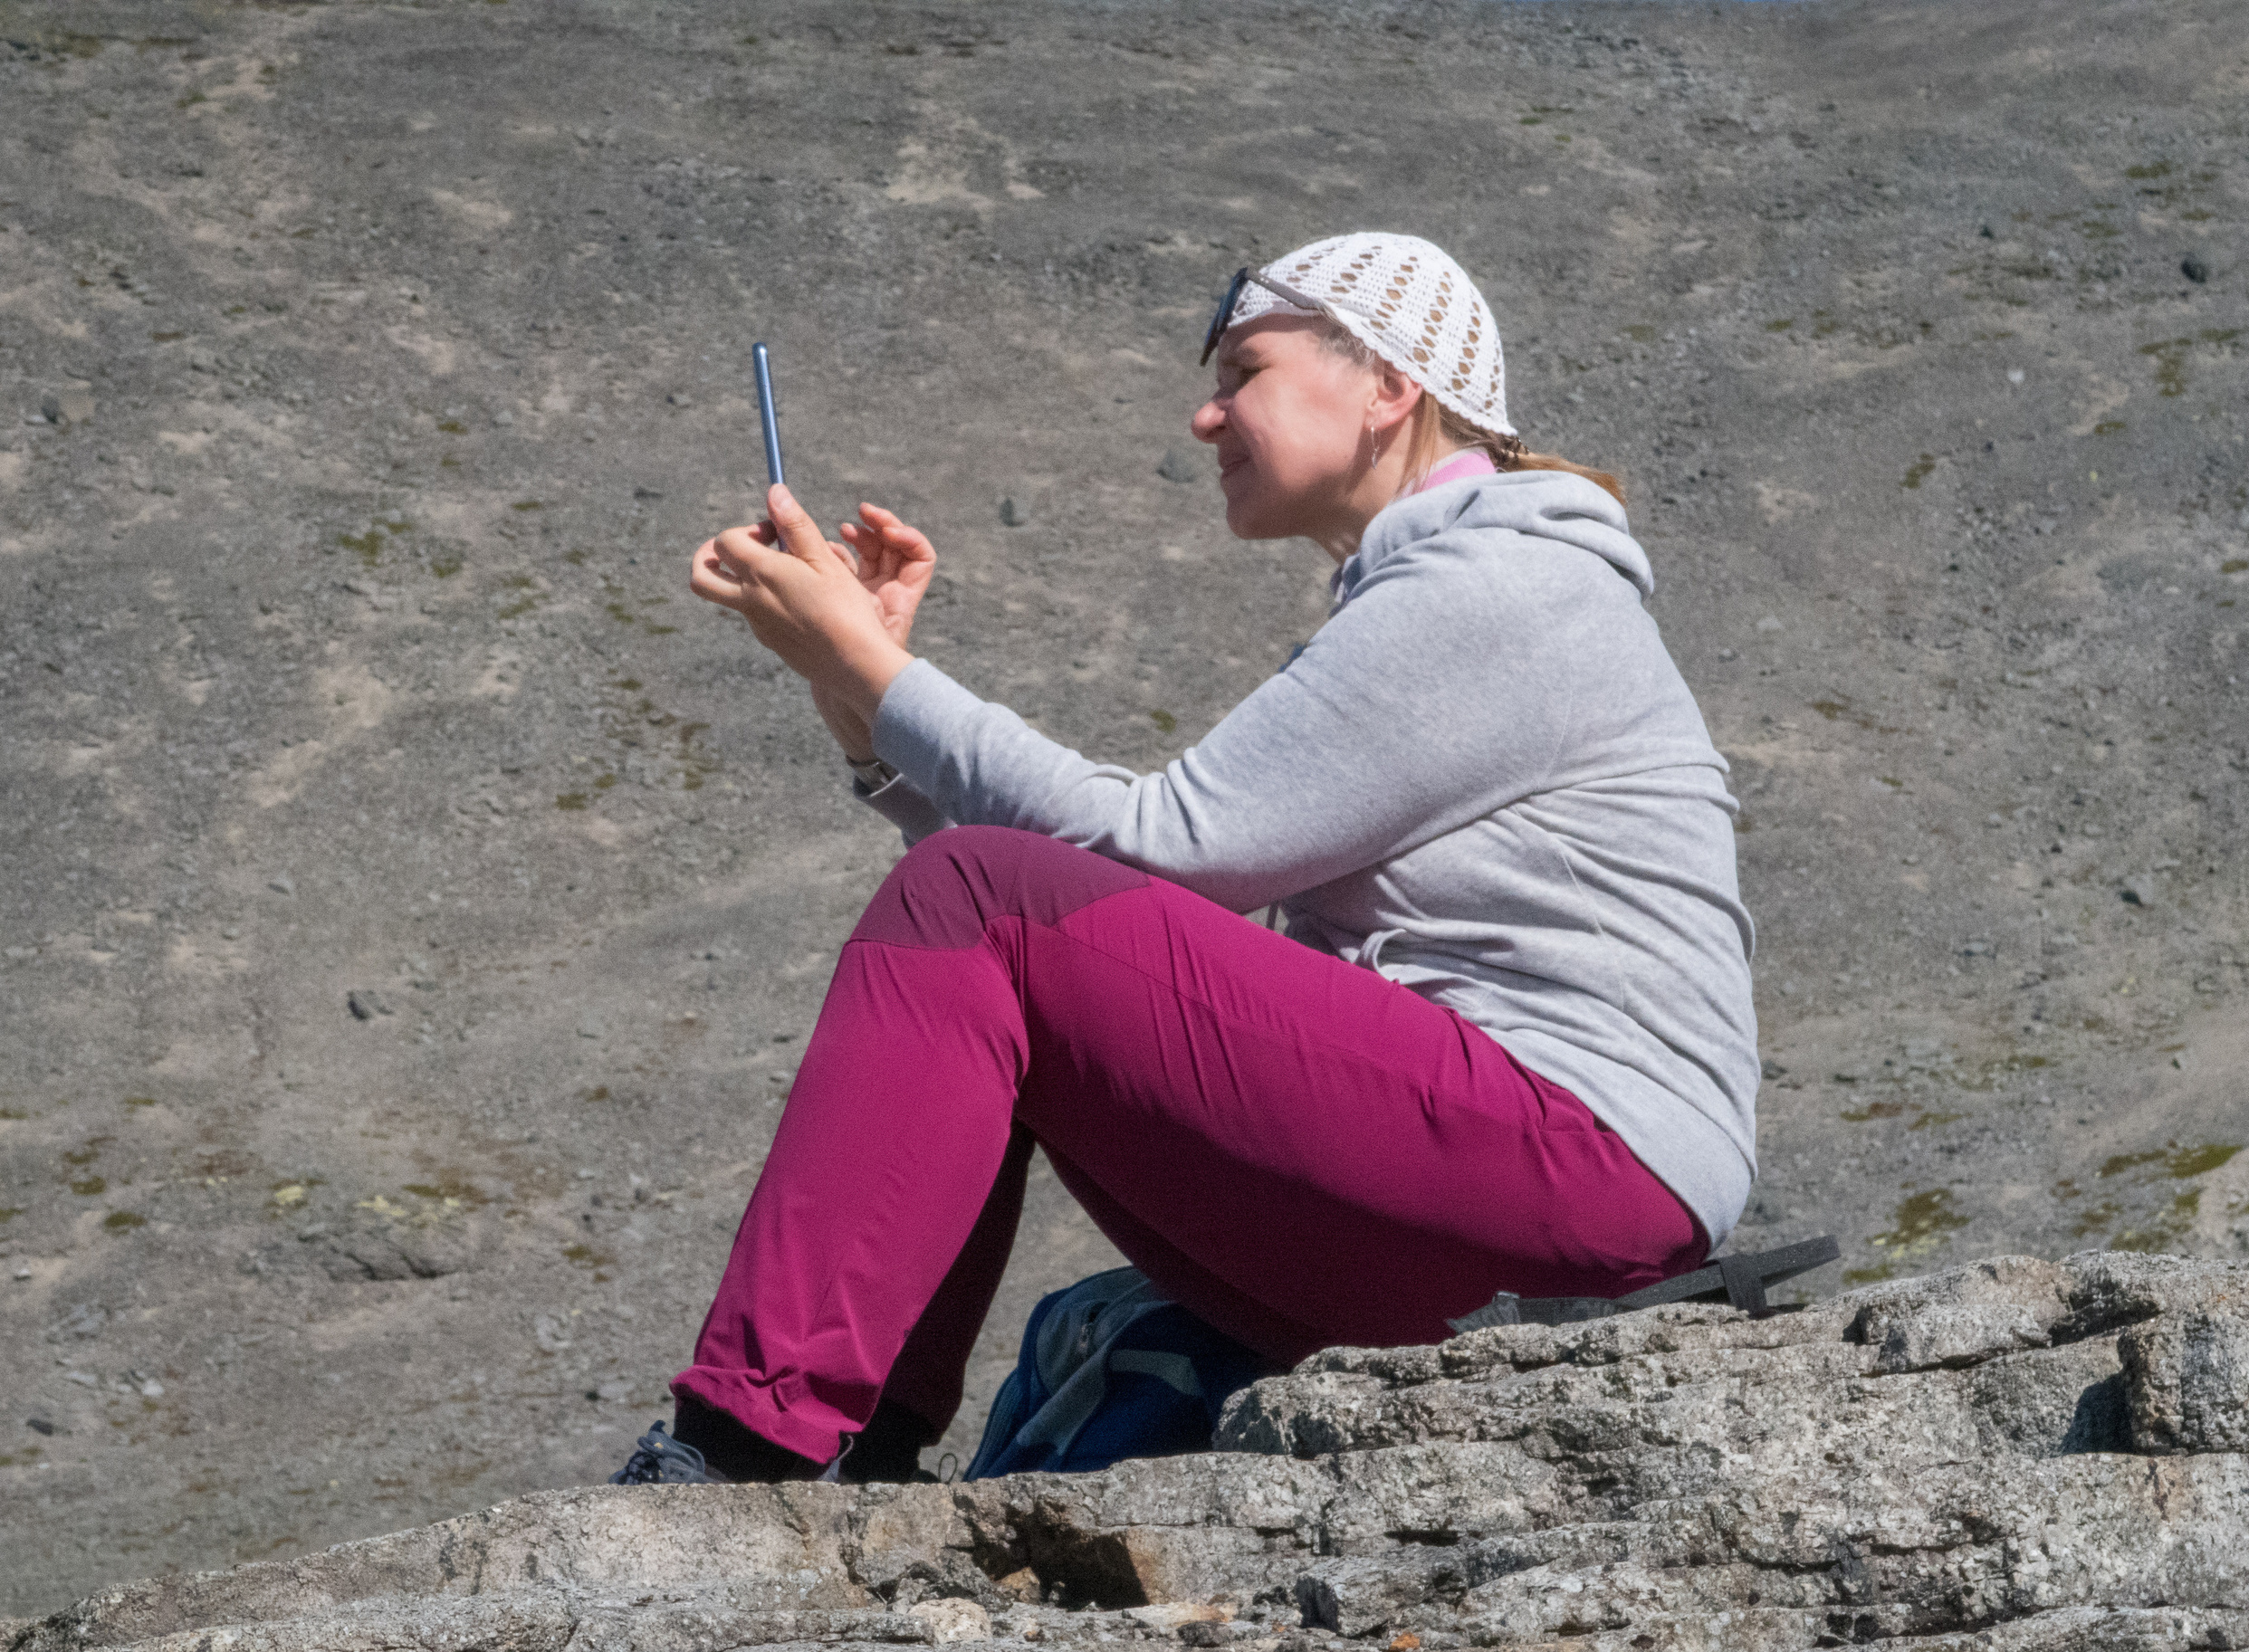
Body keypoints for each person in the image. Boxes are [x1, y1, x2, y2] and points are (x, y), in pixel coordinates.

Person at [612, 233, 1758, 1487]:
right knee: (983, 927)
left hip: (1582, 1170)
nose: (1205, 413)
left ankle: (745, 1457)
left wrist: (881, 676)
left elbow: (1157, 851)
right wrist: (867, 713)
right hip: (1532, 1197)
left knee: (979, 898)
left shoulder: (1505, 588)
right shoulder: (1444, 593)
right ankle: (835, 1464)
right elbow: (1023, 960)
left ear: (1388, 386)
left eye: (1246, 370)